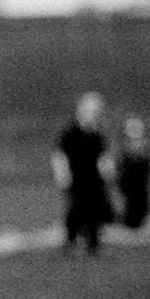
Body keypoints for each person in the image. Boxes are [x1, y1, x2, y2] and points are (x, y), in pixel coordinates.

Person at [51, 92, 115, 255]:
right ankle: (70, 242)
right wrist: (62, 175)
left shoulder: (96, 134)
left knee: (95, 211)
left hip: (94, 180)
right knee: (75, 210)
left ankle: (93, 245)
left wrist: (107, 172)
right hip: (76, 179)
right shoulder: (71, 132)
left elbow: (103, 156)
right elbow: (59, 155)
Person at [116, 116, 150, 229]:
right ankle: (130, 222)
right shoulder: (126, 147)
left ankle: (135, 222)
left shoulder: (143, 145)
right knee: (132, 203)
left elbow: (147, 165)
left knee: (140, 203)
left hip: (139, 182)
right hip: (130, 182)